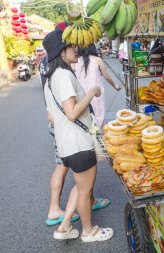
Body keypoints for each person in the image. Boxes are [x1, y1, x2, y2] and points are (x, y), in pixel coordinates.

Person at [43, 29, 114, 241]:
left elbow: (52, 116)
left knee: (80, 186)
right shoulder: (64, 76)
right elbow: (72, 113)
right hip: (78, 144)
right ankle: (88, 231)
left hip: (66, 144)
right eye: (71, 46)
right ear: (60, 52)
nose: (76, 48)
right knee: (85, 190)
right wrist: (92, 92)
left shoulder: (50, 79)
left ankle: (64, 227)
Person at [75, 44, 121, 127]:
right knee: (98, 118)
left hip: (81, 96)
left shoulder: (75, 61)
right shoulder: (97, 60)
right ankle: (98, 137)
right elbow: (106, 77)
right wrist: (115, 86)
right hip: (96, 95)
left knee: (84, 119)